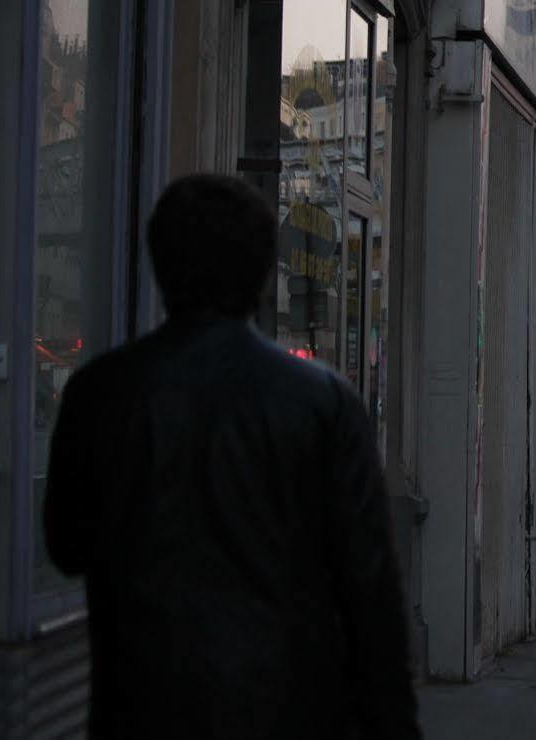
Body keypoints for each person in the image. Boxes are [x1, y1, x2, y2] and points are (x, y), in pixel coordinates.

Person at [43, 174, 419, 739]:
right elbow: (370, 593)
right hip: (285, 707)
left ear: (160, 266)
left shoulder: (102, 393)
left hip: (141, 704)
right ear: (264, 276)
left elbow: (67, 544)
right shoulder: (321, 403)